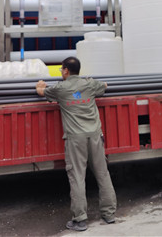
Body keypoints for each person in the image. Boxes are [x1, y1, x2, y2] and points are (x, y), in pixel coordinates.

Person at [36, 56, 116, 232]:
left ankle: (80, 220)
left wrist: (39, 86)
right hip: (95, 136)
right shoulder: (89, 84)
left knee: (77, 177)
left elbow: (42, 92)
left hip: (76, 139)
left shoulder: (60, 88)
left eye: (61, 69)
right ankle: (109, 214)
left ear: (66, 70)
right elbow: (104, 86)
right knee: (103, 174)